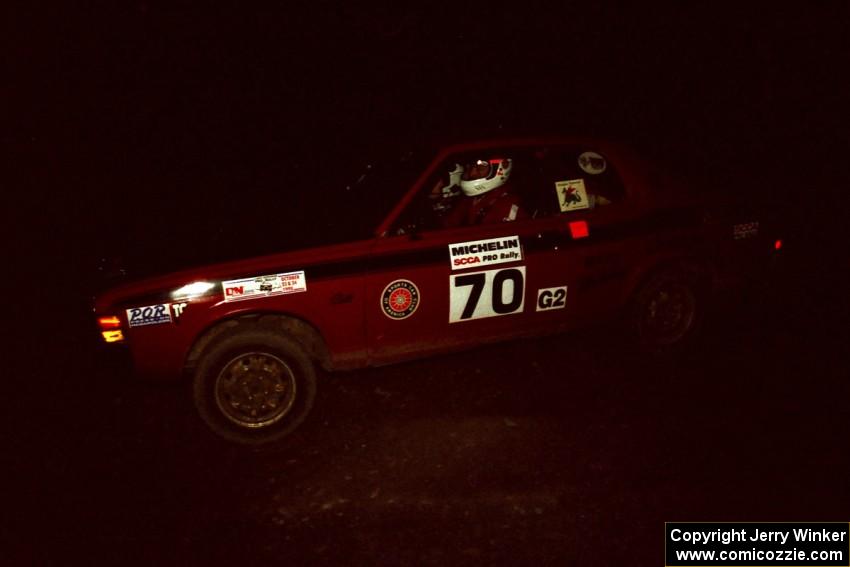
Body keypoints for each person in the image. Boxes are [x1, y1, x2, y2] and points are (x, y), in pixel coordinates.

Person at [442, 157, 527, 227]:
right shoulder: (470, 199)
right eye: (471, 167)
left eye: (480, 168)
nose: (472, 173)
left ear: (500, 170)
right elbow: (448, 225)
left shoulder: (508, 205)